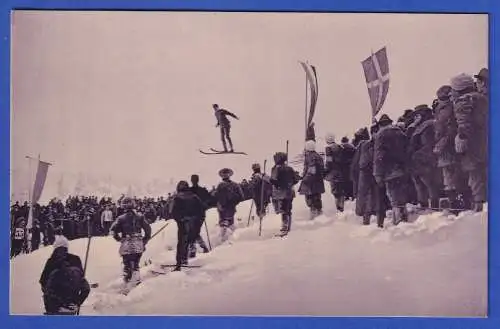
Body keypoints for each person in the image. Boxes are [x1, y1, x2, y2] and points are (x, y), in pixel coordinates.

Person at [450, 73, 488, 212]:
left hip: (473, 144)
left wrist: (461, 138)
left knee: (475, 178)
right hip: (484, 141)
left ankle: (479, 208)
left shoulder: (463, 100)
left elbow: (464, 123)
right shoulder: (482, 98)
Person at [373, 114, 410, 225]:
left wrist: (377, 174)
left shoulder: (381, 135)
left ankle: (398, 221)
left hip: (390, 171)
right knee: (402, 196)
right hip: (402, 170)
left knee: (394, 197)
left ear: (381, 125)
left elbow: (379, 156)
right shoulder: (401, 133)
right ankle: (404, 218)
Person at [39, 235, 90, 315]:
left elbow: (43, 283)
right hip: (71, 307)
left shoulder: (51, 262)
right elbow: (84, 286)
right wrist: (78, 302)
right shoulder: (76, 260)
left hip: (54, 308)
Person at [110, 197, 152, 291]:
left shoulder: (120, 218)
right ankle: (136, 283)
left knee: (127, 264)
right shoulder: (140, 216)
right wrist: (144, 241)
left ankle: (127, 283)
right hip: (138, 243)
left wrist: (119, 239)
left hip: (126, 244)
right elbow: (148, 230)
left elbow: (112, 231)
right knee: (136, 263)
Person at [169, 180, 206, 270]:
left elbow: (172, 212)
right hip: (194, 222)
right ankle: (191, 254)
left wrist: (179, 219)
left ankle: (180, 263)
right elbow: (202, 211)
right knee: (191, 238)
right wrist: (199, 221)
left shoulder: (176, 198)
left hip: (183, 223)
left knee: (182, 242)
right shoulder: (194, 197)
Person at [270, 152, 300, 236]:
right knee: (288, 209)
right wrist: (289, 183)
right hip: (289, 192)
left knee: (283, 210)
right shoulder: (289, 168)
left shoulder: (275, 169)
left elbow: (273, 180)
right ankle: (288, 226)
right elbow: (295, 179)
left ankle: (284, 227)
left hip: (280, 193)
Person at [214, 168, 245, 242]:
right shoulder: (231, 185)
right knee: (228, 224)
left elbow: (215, 197)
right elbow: (241, 196)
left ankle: (228, 240)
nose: (225, 175)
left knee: (225, 225)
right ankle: (231, 239)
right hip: (226, 209)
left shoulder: (222, 186)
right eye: (224, 174)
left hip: (225, 209)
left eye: (226, 173)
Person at [298, 140, 325, 220]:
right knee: (317, 197)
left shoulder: (310, 157)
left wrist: (305, 179)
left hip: (311, 182)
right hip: (318, 181)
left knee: (310, 198)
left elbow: (311, 170)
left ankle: (314, 216)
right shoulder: (318, 156)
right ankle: (320, 214)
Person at [188, 175, 211, 257]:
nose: (194, 181)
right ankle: (203, 247)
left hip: (196, 215)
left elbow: (209, 200)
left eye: (194, 180)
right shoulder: (201, 190)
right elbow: (209, 200)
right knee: (194, 231)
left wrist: (204, 205)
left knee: (192, 232)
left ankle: (193, 250)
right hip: (197, 215)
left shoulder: (190, 191)